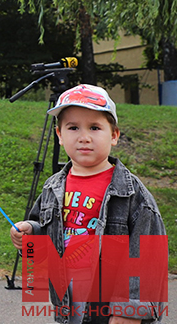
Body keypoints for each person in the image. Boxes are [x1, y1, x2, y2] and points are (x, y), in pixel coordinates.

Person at [10, 84, 166, 324]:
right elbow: (45, 245)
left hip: (113, 308)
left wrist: (129, 311)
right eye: (73, 128)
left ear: (114, 135)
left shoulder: (132, 194)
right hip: (69, 304)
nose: (84, 137)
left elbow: (147, 255)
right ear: (60, 136)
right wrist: (30, 234)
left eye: (95, 127)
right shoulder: (52, 188)